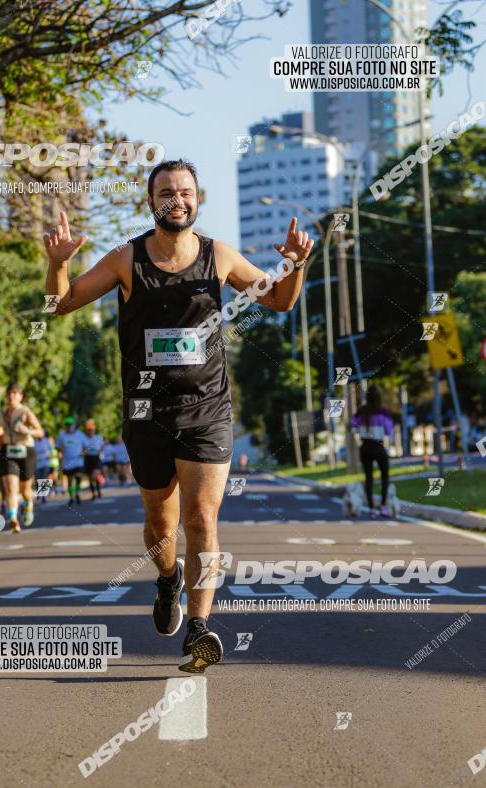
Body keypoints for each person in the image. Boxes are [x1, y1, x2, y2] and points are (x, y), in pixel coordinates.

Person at [43, 158, 312, 673]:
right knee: (160, 524)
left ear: (197, 199)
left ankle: (200, 629)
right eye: (166, 191)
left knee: (201, 519)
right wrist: (57, 263)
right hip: (145, 412)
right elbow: (61, 304)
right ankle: (168, 579)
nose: (177, 199)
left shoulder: (219, 257)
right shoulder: (126, 259)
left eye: (185, 191)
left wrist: (295, 266)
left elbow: (278, 300)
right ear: (151, 202)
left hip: (207, 409)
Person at [0, 383, 44, 532]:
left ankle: (28, 505)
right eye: (9, 393)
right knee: (11, 486)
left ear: (20, 396)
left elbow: (40, 432)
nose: (11, 396)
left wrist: (27, 430)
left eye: (15, 393)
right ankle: (13, 518)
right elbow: (1, 433)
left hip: (26, 452)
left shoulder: (26, 412)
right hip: (8, 451)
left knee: (25, 490)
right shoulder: (2, 413)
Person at [351, 385, 394, 518]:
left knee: (368, 478)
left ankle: (371, 509)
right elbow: (388, 430)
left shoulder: (361, 411)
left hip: (365, 447)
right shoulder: (383, 412)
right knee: (384, 476)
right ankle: (383, 506)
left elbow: (353, 427)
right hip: (378, 446)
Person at [56, 417, 87, 505]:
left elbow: (86, 446)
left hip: (78, 461)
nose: (69, 426)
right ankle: (71, 497)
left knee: (78, 476)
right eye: (67, 425)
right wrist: (60, 463)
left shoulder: (80, 434)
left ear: (74, 425)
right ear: (65, 426)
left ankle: (77, 492)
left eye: (71, 425)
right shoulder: (61, 435)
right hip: (67, 462)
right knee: (69, 480)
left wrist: (83, 453)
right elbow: (59, 450)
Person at [83, 420, 105, 499]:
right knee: (90, 478)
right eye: (89, 430)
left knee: (95, 475)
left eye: (92, 429)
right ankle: (93, 494)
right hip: (88, 458)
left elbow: (102, 446)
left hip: (96, 457)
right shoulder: (84, 438)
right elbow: (81, 448)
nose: (91, 431)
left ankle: (98, 491)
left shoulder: (98, 437)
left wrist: (100, 451)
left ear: (94, 430)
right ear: (87, 430)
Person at [34, 433, 53, 503]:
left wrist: (50, 455)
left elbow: (51, 450)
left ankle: (44, 497)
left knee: (44, 479)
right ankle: (39, 493)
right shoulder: (34, 442)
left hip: (45, 463)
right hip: (37, 464)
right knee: (38, 479)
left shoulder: (46, 441)